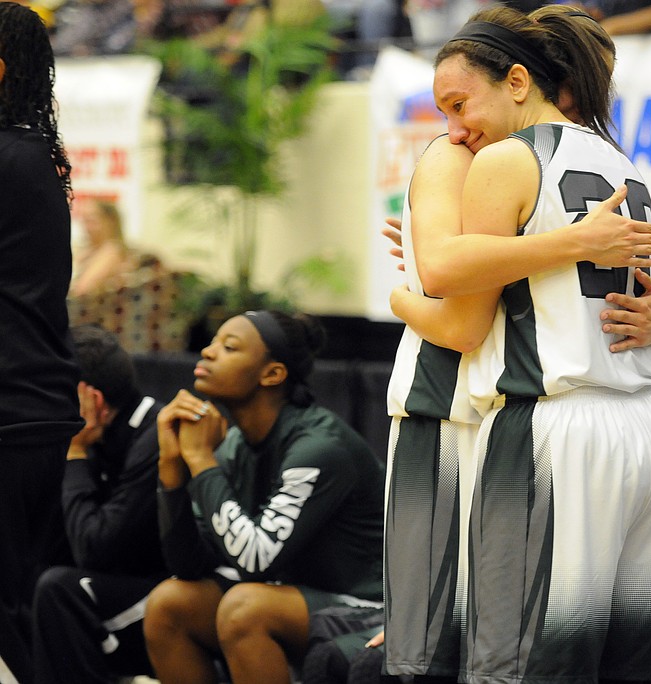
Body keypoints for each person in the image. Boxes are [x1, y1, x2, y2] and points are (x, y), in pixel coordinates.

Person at [381, 7, 651, 684]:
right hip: (647, 423)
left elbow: (451, 296)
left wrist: (404, 295)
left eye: (460, 106)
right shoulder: (619, 161)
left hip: (544, 424)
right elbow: (644, 309)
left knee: (505, 666)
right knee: (634, 664)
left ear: (520, 80)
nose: (453, 130)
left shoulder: (501, 159)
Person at [143, 310, 385, 684]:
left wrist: (201, 460)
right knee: (169, 603)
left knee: (245, 608)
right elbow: (187, 565)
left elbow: (255, 559)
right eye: (213, 342)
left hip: (371, 607)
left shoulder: (319, 448)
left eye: (229, 347)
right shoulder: (236, 445)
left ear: (272, 374)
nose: (207, 352)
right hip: (293, 597)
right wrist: (171, 469)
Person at [0, 4, 84, 682]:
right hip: (31, 403)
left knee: (16, 605)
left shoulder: (10, 156)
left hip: (14, 409)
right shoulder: (27, 153)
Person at [31, 324, 168, 684]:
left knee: (59, 590)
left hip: (172, 594)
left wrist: (75, 453)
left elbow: (95, 548)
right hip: (126, 582)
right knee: (30, 572)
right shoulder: (102, 433)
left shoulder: (156, 435)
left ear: (92, 400)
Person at [70, 199, 135, 298]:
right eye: (84, 220)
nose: (86, 227)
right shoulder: (88, 250)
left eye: (91, 220)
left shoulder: (112, 251)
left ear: (110, 221)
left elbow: (82, 289)